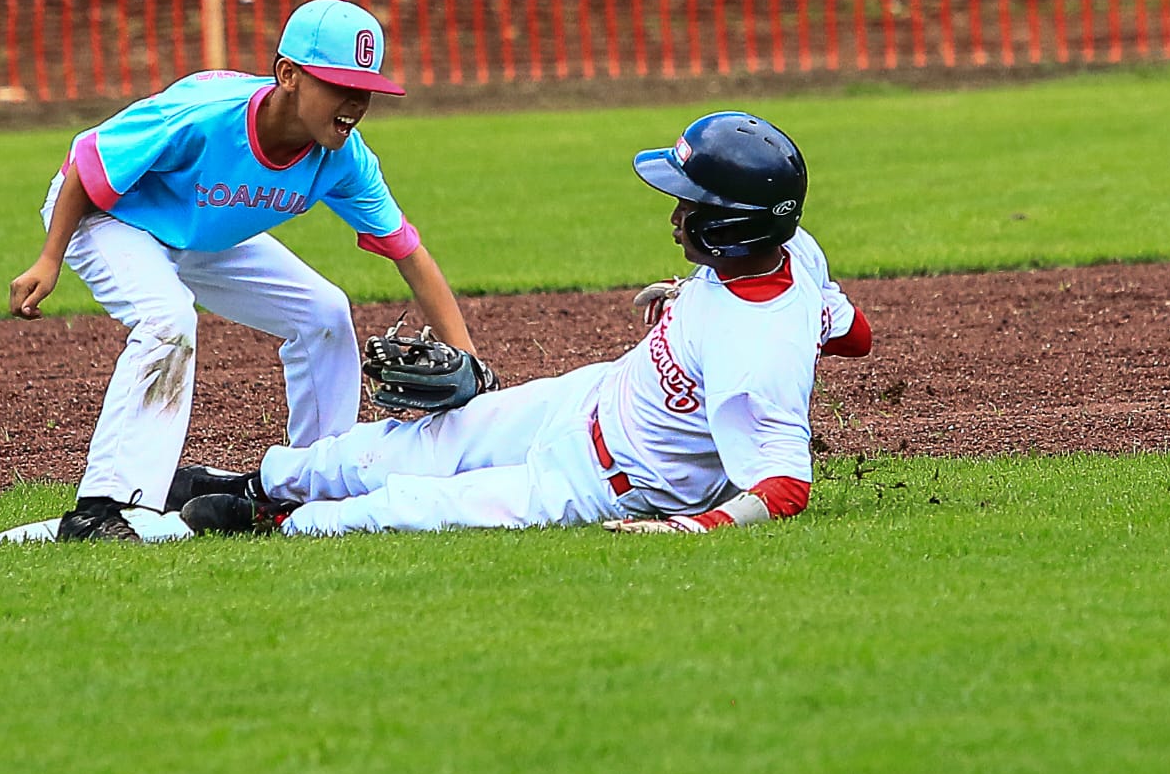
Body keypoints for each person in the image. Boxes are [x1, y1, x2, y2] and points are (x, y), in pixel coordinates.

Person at [174, 110, 872, 538]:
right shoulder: (789, 257)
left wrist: (691, 530)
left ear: (728, 227)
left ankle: (270, 525)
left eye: (688, 205)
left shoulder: (753, 355)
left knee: (407, 506)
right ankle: (257, 483)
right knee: (403, 445)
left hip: (599, 482)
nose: (673, 215)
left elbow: (784, 487)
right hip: (586, 398)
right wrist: (698, 302)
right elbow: (851, 333)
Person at [9, 0, 490, 542]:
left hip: (203, 231)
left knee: (325, 312)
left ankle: (312, 482)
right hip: (110, 216)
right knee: (167, 319)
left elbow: (409, 252)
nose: (354, 103)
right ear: (289, 75)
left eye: (365, 90)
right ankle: (103, 508)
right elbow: (87, 162)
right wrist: (50, 259)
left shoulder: (344, 158)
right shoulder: (206, 114)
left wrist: (473, 368)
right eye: (338, 85)